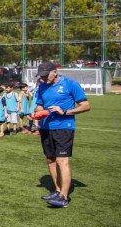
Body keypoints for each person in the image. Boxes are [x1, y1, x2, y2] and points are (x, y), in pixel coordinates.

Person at [34, 61, 90, 208]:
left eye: (46, 76)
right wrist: (36, 114)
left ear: (55, 72)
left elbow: (85, 106)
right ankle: (58, 191)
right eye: (41, 76)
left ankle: (64, 198)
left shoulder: (71, 84)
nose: (44, 79)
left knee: (62, 161)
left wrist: (64, 111)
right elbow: (40, 105)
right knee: (50, 160)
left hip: (64, 127)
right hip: (46, 127)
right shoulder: (42, 86)